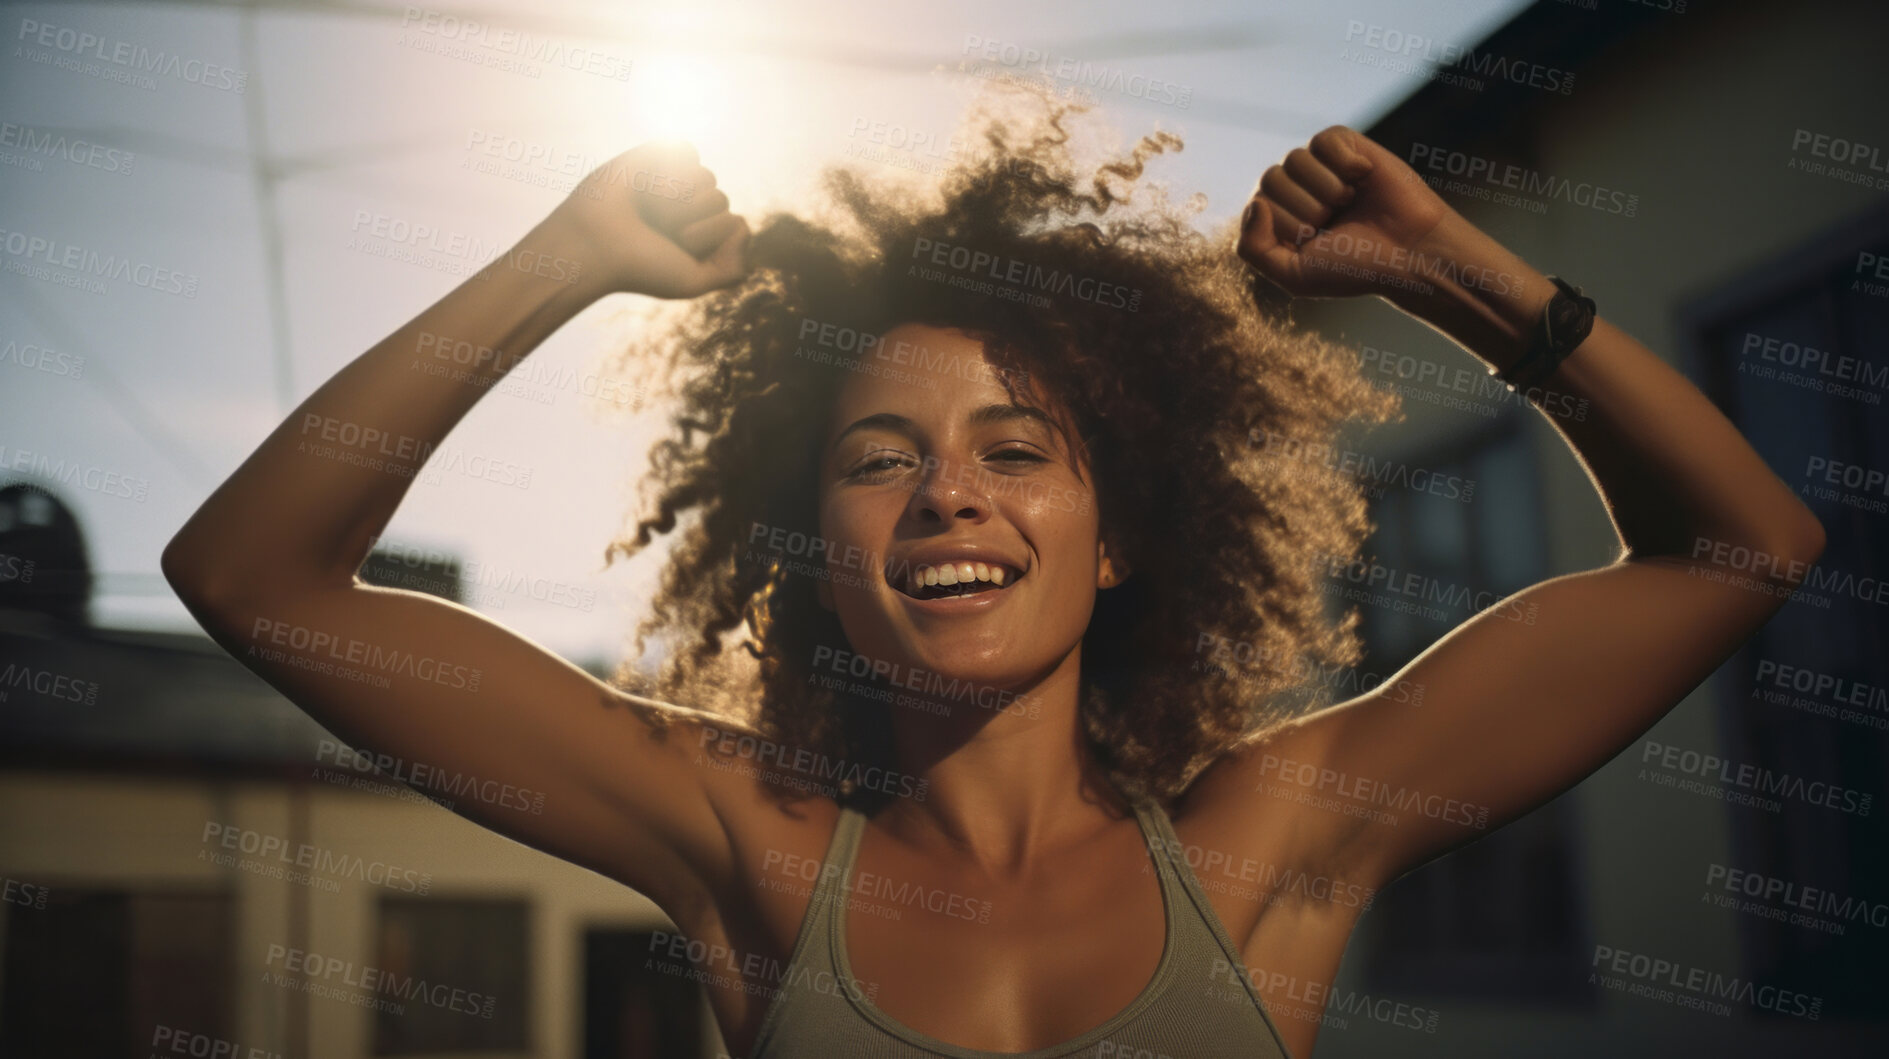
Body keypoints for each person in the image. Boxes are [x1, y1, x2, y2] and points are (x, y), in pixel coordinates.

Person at [162, 88, 1824, 1059]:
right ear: (816, 552)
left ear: (1118, 545)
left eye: (1016, 449)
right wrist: (565, 258)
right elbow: (255, 577)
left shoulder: (1274, 845)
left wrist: (1448, 268)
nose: (947, 491)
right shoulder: (744, 844)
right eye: (878, 457)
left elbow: (1750, 546)